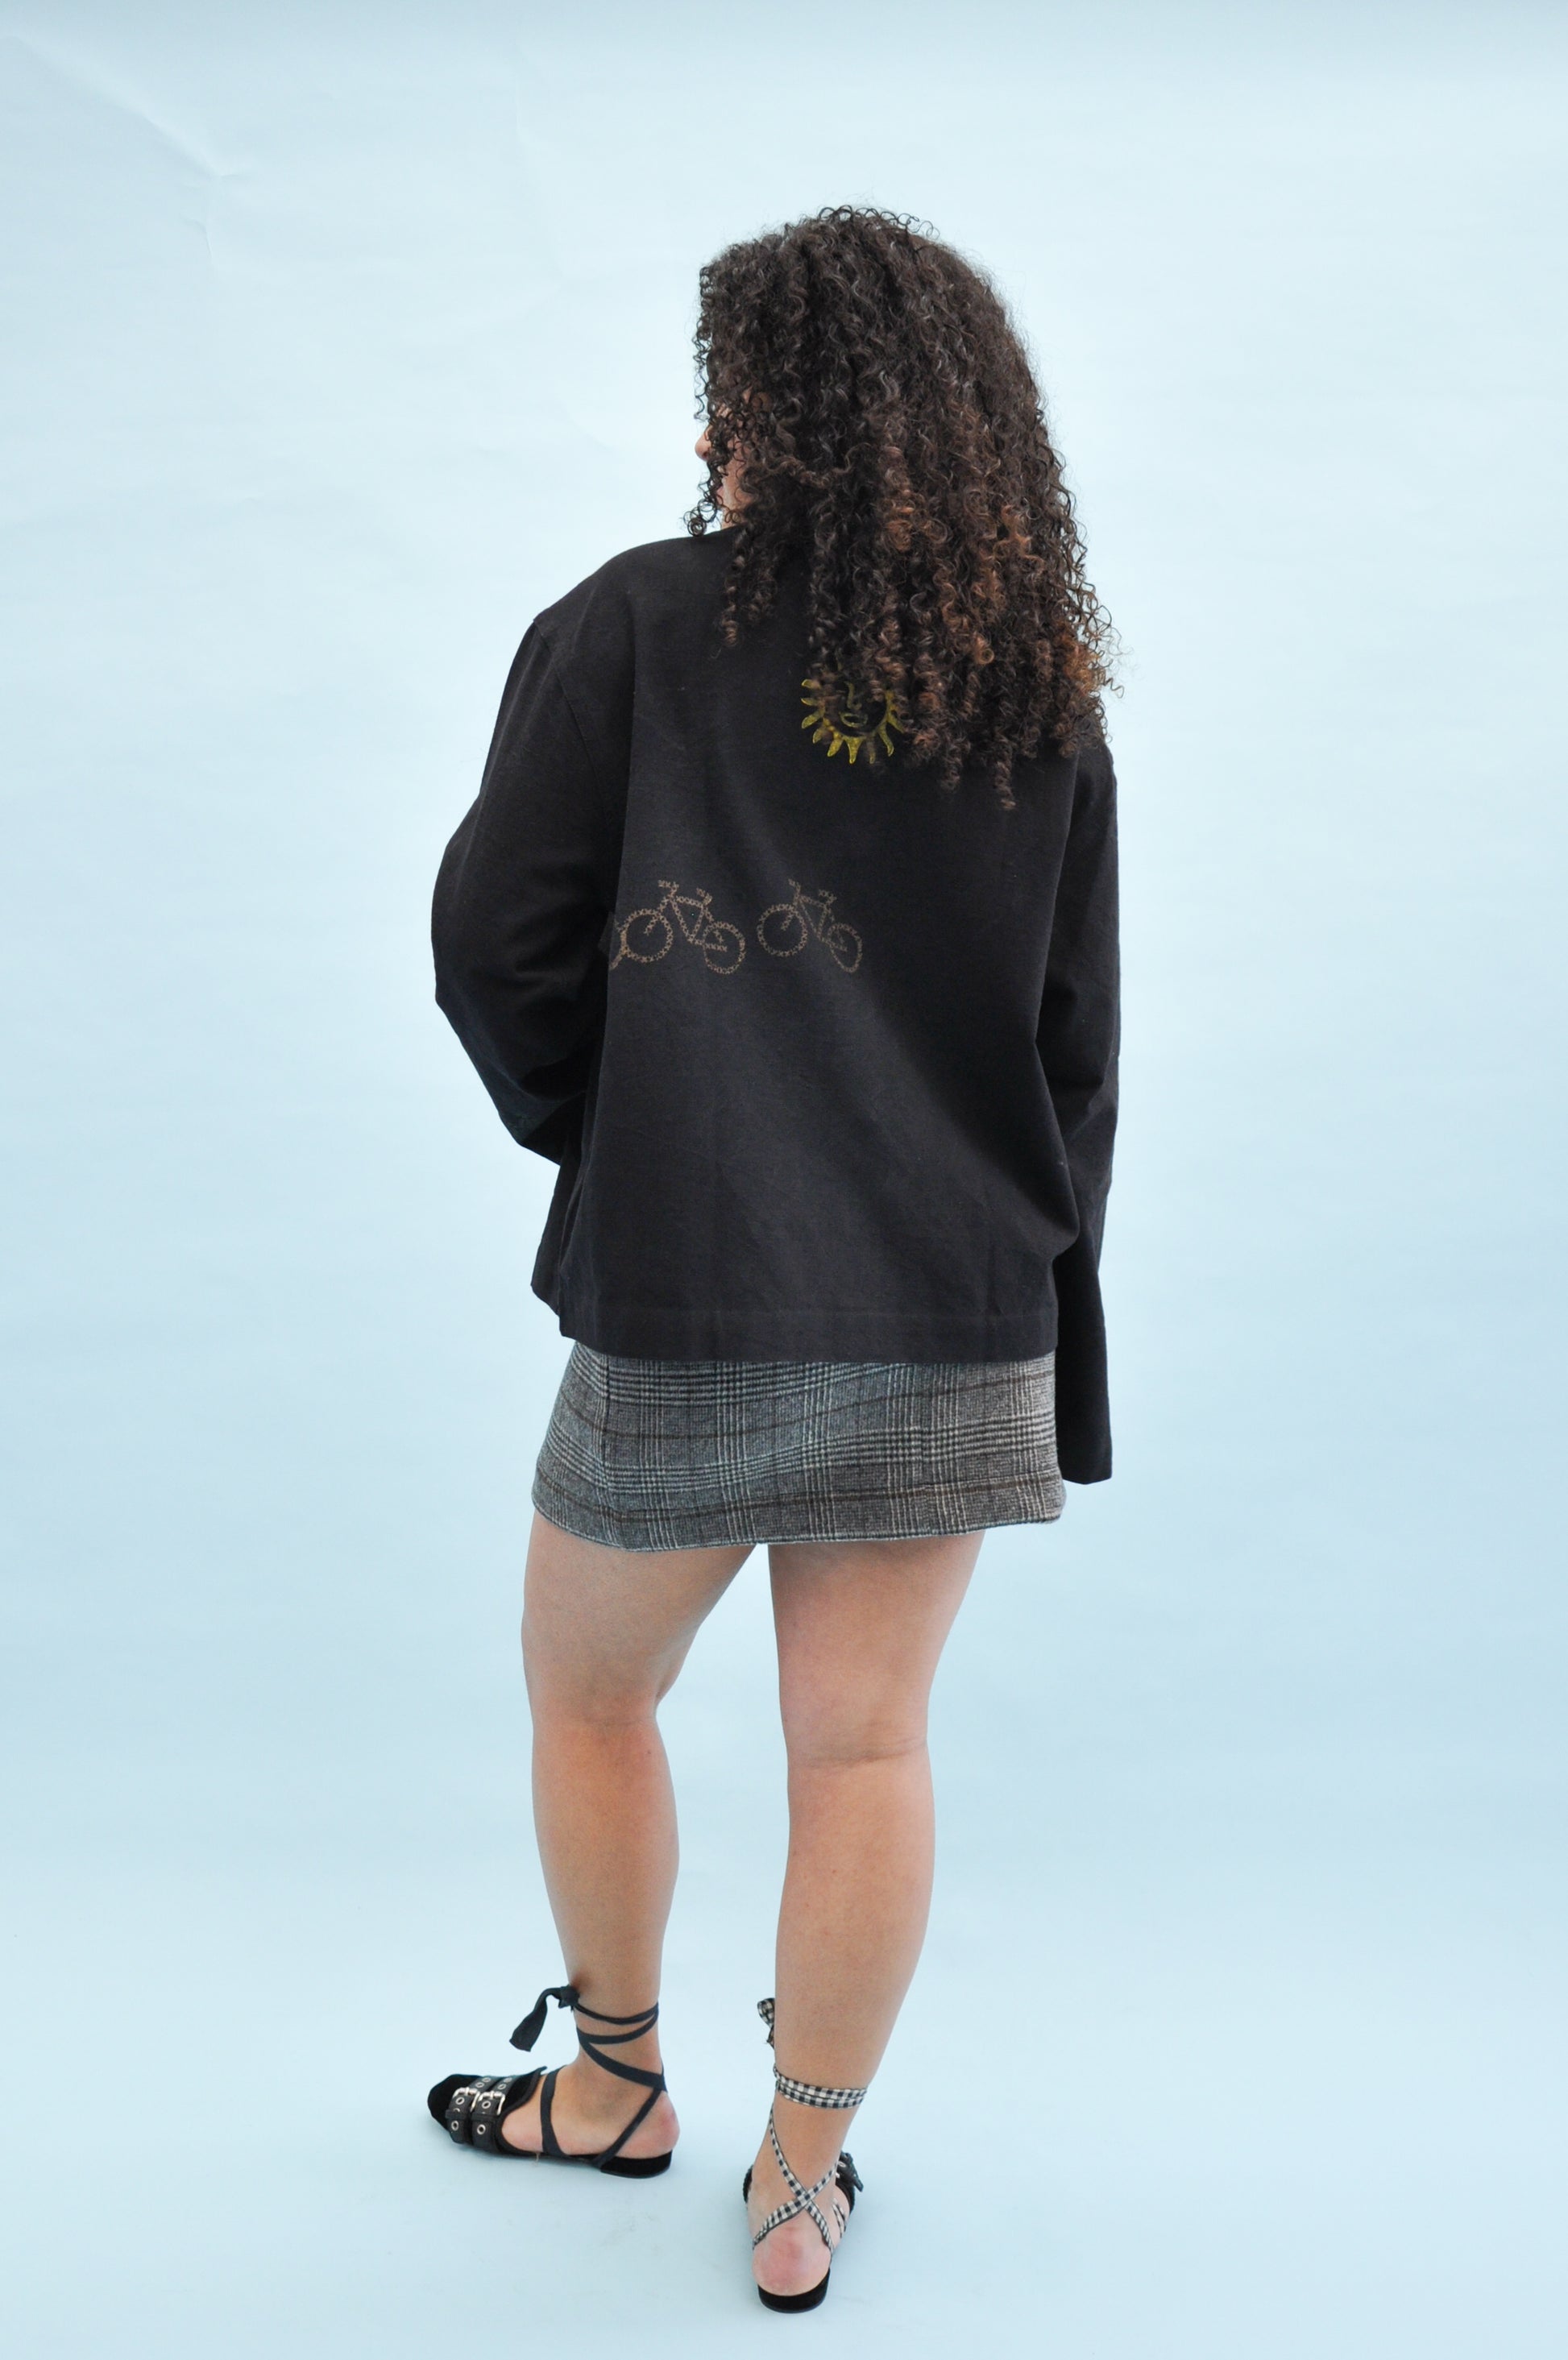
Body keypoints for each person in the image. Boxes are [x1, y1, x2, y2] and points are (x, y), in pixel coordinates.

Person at [425, 205, 1120, 2313]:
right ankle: (799, 2183)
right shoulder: (1029, 684)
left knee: (585, 1689)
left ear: (756, 405)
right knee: (866, 1745)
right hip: (955, 1298)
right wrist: (1042, 1305)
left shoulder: (639, 624)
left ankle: (614, 2086)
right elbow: (1072, 1050)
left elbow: (494, 944)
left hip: (688, 1284)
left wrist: (621, 1132)